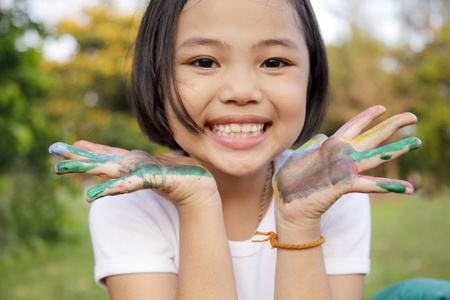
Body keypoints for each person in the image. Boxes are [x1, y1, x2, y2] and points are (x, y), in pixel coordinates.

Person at [49, 0, 421, 299]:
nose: (241, 91)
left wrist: (300, 221)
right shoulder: (128, 201)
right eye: (204, 62)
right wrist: (196, 203)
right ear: (155, 79)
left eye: (274, 62)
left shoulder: (329, 190)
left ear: (312, 78)